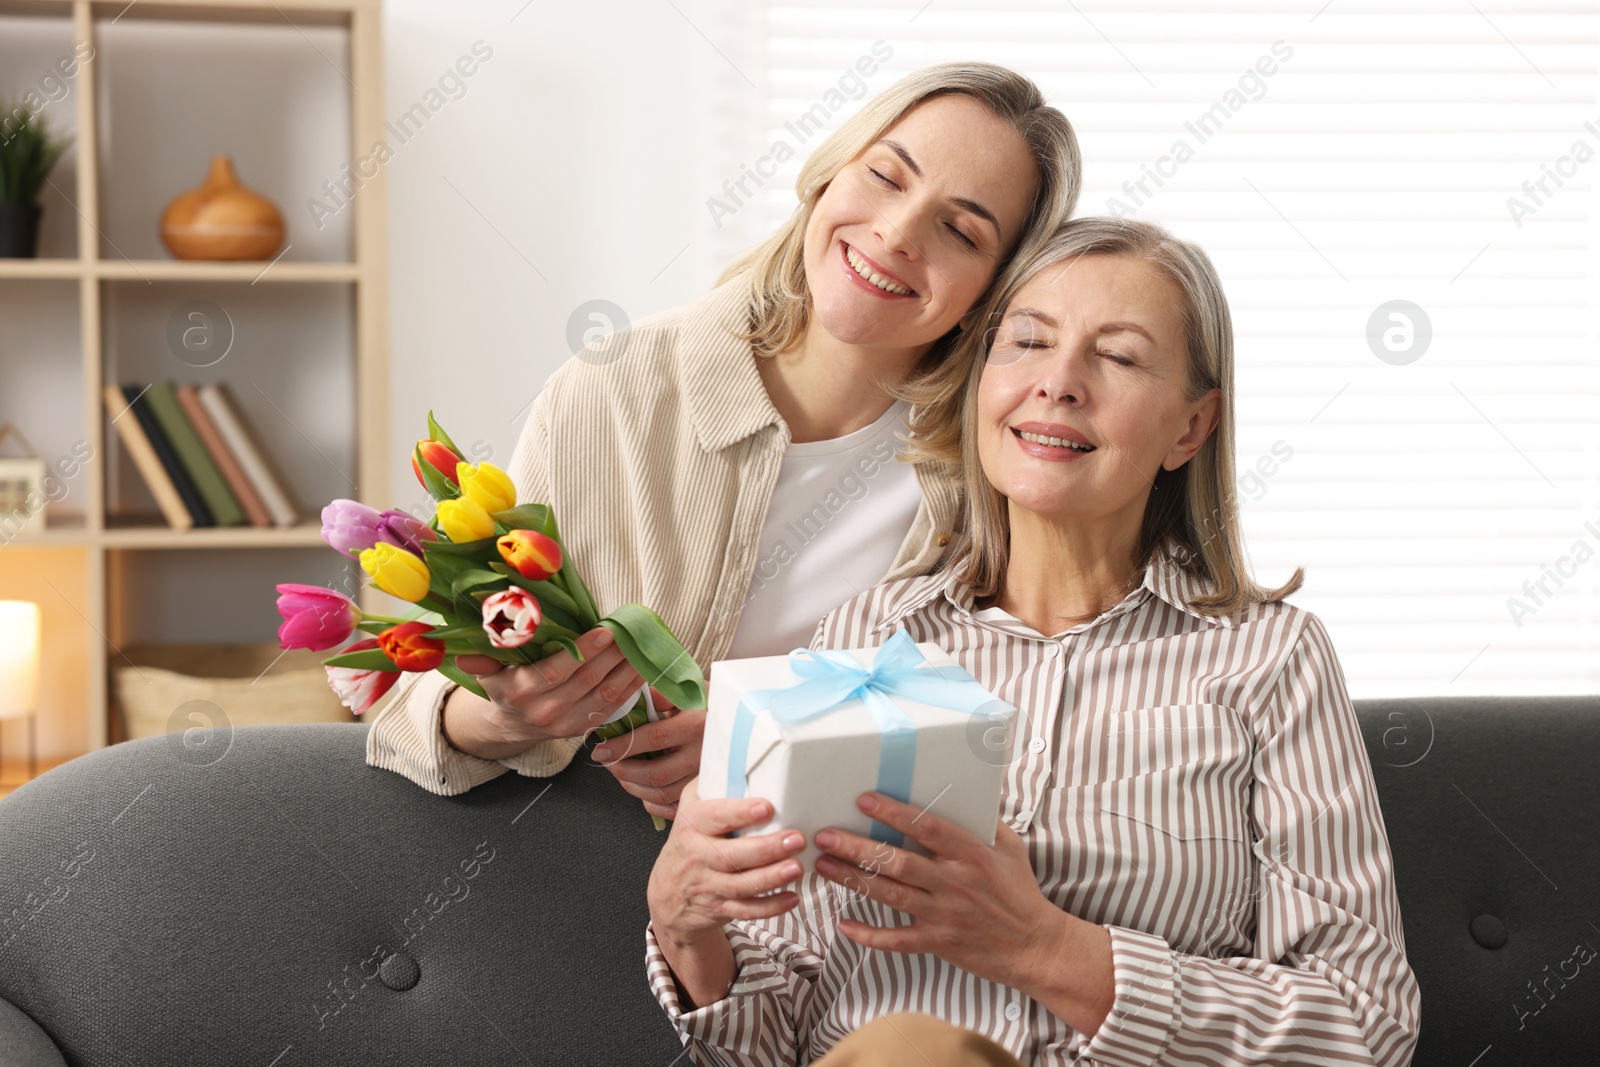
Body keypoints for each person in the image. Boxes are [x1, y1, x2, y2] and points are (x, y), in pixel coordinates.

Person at [644, 216, 1421, 1066]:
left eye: (1118, 357)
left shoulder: (1271, 660)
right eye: (1025, 342)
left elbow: (1366, 1023)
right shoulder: (870, 634)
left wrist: (1044, 947)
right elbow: (773, 1041)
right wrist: (690, 935)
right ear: (983, 383)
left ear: (1191, 428)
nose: (1058, 383)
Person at [365, 63, 1083, 818]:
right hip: (587, 873)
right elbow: (412, 722)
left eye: (960, 230)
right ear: (826, 177)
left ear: (990, 296)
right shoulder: (616, 388)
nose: (896, 233)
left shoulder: (994, 469)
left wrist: (766, 742)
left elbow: (1023, 728)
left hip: (837, 908)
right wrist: (505, 716)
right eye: (885, 176)